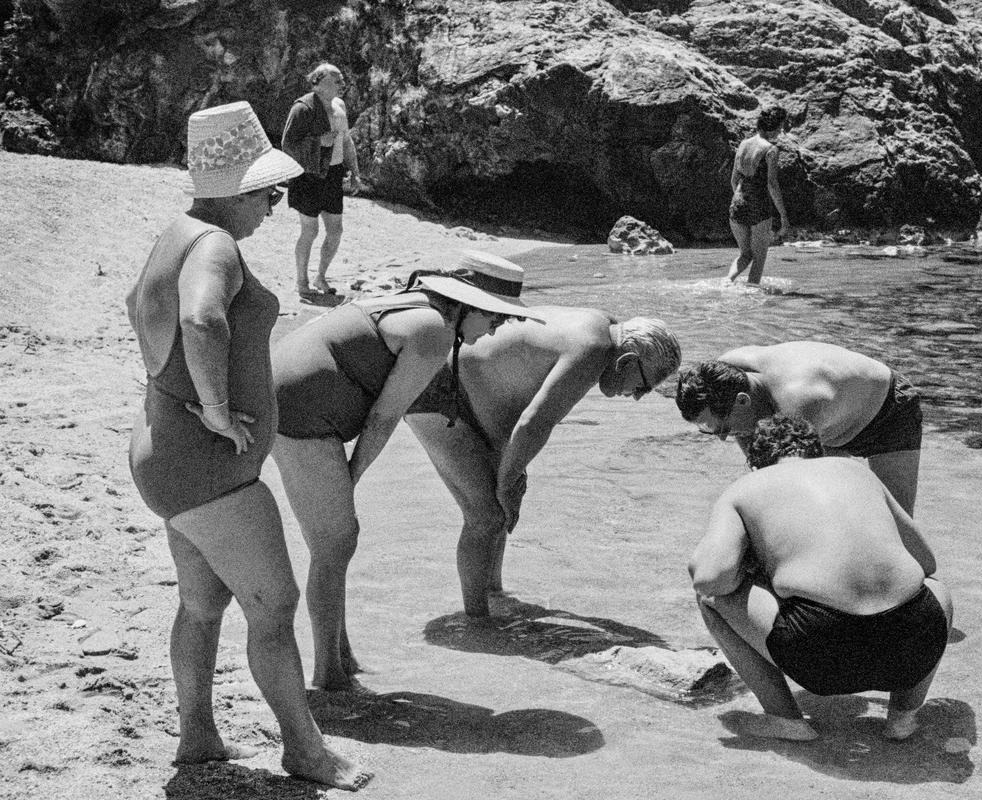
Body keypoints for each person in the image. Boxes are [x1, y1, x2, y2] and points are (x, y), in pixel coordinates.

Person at [126, 101, 370, 790]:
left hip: (165, 455)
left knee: (203, 604)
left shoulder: (175, 233)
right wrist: (213, 408)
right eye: (269, 190)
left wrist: (179, 401)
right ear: (237, 188)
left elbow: (146, 316)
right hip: (208, 469)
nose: (275, 202)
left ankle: (198, 737)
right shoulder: (215, 246)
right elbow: (202, 320)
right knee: (275, 605)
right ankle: (307, 752)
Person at [271, 251, 542, 690]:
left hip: (286, 394)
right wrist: (351, 478)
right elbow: (383, 419)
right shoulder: (434, 330)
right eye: (495, 317)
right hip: (299, 411)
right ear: (470, 304)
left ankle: (341, 658)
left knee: (338, 540)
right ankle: (327, 677)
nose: (498, 328)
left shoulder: (414, 304)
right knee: (336, 542)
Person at [689, 414, 952, 742]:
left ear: (757, 463)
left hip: (818, 656)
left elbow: (709, 579)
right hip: (913, 646)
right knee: (937, 592)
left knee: (712, 601)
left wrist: (758, 569)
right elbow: (926, 562)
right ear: (817, 451)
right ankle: (903, 718)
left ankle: (785, 720)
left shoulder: (743, 489)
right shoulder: (857, 472)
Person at [405, 309, 681, 617]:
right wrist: (509, 481)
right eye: (643, 386)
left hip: (462, 392)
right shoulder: (594, 349)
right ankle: (477, 624)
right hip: (437, 388)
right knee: (486, 516)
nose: (638, 397)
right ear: (626, 362)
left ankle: (494, 598)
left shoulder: (603, 327)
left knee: (498, 513)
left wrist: (512, 471)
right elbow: (534, 422)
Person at [675, 340, 922, 516]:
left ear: (742, 400)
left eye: (724, 429)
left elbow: (793, 492)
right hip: (831, 420)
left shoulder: (798, 402)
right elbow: (764, 475)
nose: (723, 438)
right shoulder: (723, 372)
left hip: (887, 412)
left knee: (895, 522)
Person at [281, 62, 362, 299]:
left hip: (333, 175)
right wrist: (319, 143)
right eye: (336, 79)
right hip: (308, 176)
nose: (341, 83)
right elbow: (287, 144)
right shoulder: (303, 108)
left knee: (335, 231)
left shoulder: (339, 106)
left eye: (341, 79)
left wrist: (355, 171)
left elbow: (346, 141)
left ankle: (321, 276)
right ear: (318, 82)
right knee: (310, 230)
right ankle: (301, 281)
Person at [727, 105, 790, 285]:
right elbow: (771, 184)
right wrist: (783, 216)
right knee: (759, 259)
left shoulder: (743, 145)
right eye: (781, 126)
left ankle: (727, 282)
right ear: (775, 126)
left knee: (745, 255)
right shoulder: (771, 150)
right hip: (759, 206)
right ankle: (753, 296)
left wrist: (741, 201)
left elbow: (733, 180)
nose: (781, 130)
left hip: (737, 204)